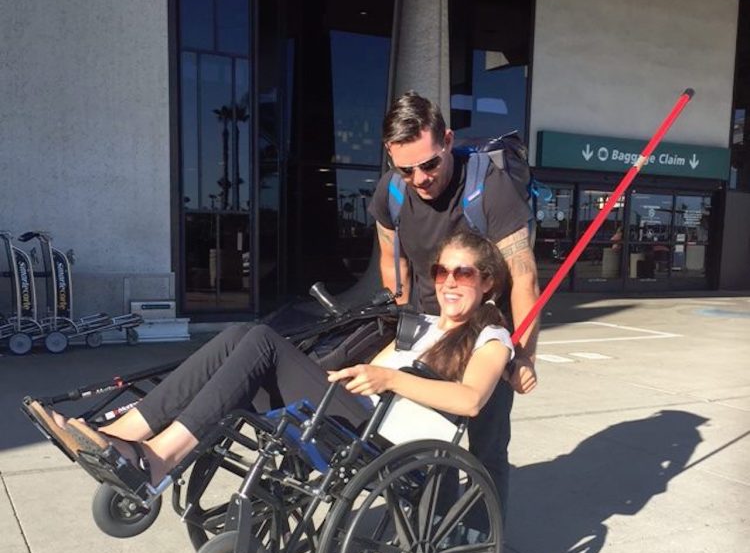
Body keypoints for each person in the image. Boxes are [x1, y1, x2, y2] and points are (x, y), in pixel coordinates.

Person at [31, 230, 513, 491]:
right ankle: (125, 434)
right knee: (242, 335)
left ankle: (160, 460)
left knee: (261, 339)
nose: (449, 281)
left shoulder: (491, 337)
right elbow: (362, 374)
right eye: (441, 270)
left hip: (386, 443)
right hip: (355, 414)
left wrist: (388, 376)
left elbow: (470, 400)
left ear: (487, 281)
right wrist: (344, 371)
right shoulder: (425, 325)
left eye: (462, 273)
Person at [369, 91, 540, 517]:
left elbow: (524, 276)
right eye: (406, 169)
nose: (420, 178)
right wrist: (404, 325)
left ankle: (482, 539)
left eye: (429, 164)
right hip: (430, 323)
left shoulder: (490, 190)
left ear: (447, 140)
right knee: (425, 438)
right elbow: (393, 264)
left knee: (487, 448)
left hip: (484, 328)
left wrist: (524, 357)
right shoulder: (391, 192)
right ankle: (434, 530)